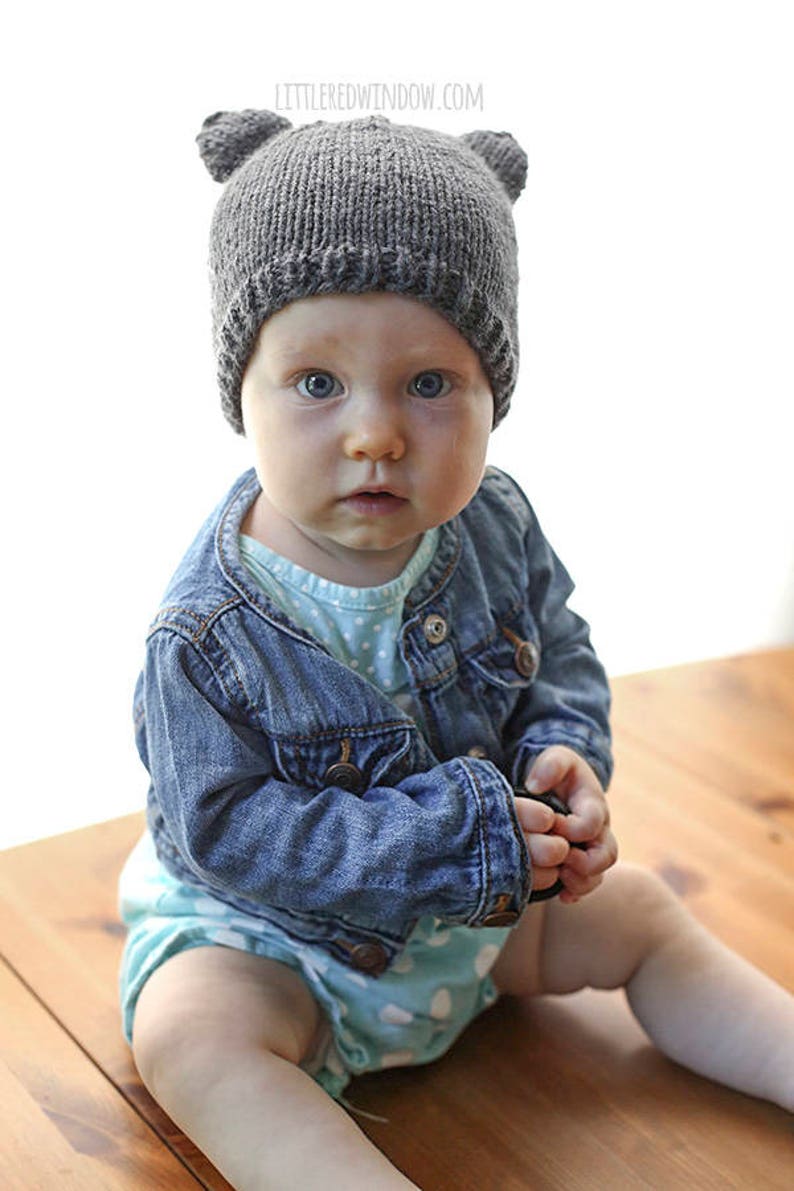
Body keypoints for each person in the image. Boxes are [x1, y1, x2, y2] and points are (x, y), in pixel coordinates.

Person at [118, 109, 793, 1190]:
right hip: (280, 941)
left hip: (476, 919)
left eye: (429, 385)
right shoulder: (206, 630)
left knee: (647, 918)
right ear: (240, 394)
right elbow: (227, 833)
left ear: (492, 396)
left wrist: (561, 757)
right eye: (316, 384)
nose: (375, 431)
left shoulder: (495, 524)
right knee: (193, 1038)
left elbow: (555, 654)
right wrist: (443, 844)